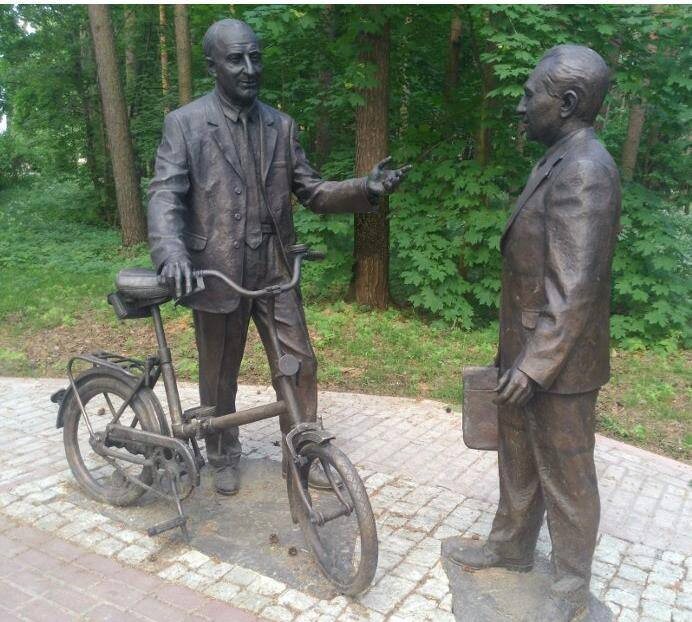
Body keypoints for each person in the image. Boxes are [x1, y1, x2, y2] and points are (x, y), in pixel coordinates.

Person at [147, 19, 410, 496]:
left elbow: (312, 190)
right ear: (212, 66)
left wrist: (365, 188)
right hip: (216, 270)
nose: (249, 69)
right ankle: (222, 454)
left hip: (274, 268)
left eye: (255, 57)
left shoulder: (281, 125)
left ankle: (303, 454)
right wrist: (171, 253)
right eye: (236, 60)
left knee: (300, 364)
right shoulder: (185, 124)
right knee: (219, 373)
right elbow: (165, 194)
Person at [450, 45, 620, 622]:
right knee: (519, 457)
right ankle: (511, 546)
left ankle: (570, 587)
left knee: (567, 475)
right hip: (527, 347)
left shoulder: (586, 169)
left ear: (567, 103)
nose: (520, 107)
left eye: (530, 96)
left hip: (558, 365)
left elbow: (575, 287)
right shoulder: (558, 158)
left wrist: (533, 365)